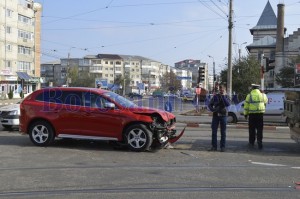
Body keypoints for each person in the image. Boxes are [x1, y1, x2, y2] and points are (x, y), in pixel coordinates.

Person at [244, 84, 268, 150]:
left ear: (252, 88)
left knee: (252, 129)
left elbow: (246, 106)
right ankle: (259, 142)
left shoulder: (249, 96)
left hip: (252, 115)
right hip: (260, 115)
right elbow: (266, 102)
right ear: (258, 88)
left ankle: (251, 142)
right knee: (260, 129)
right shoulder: (263, 95)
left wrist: (245, 114)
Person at [208, 84, 231, 152]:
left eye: (222, 89)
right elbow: (210, 104)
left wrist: (223, 96)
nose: (221, 91)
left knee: (223, 132)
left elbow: (228, 104)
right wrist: (212, 109)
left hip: (223, 116)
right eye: (220, 89)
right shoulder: (215, 96)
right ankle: (214, 147)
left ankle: (222, 147)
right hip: (215, 116)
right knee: (214, 132)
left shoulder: (226, 96)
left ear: (224, 90)